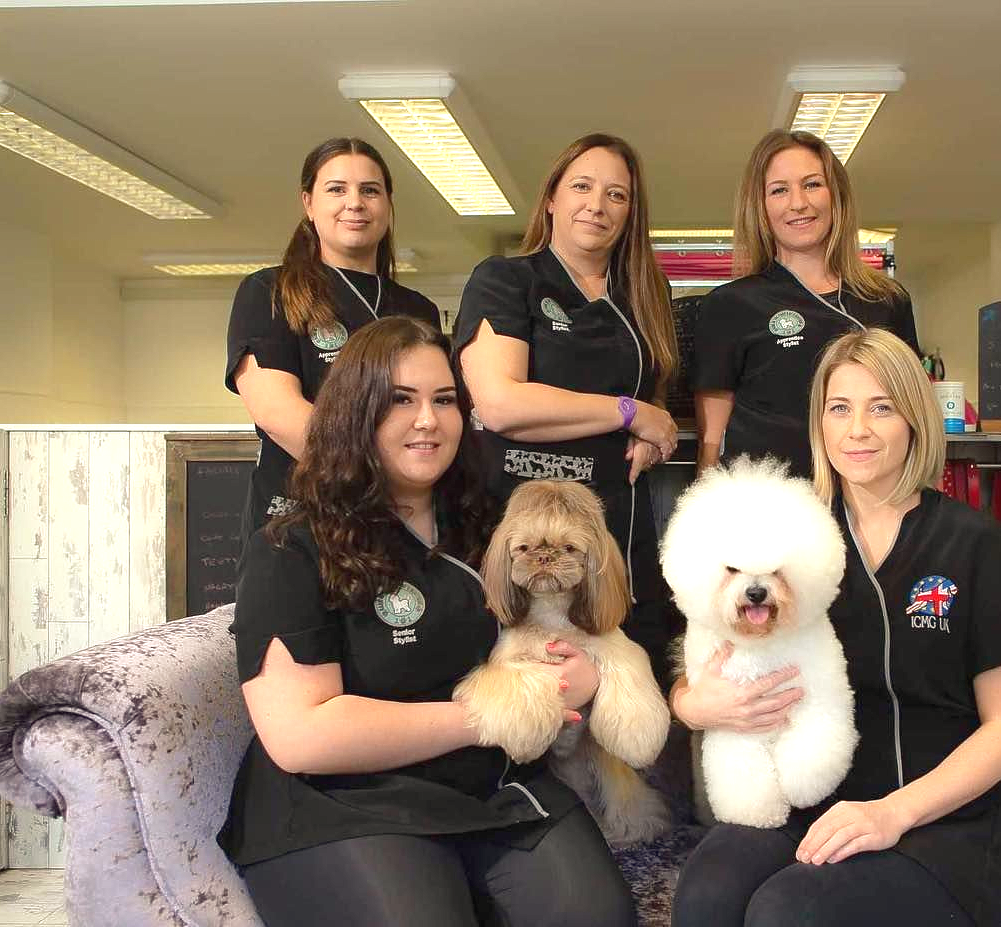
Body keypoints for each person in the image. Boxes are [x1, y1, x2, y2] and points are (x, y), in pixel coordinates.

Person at [216, 316, 636, 927]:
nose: (427, 421)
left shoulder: (488, 528)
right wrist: (497, 712)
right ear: (354, 413)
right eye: (400, 401)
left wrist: (586, 675)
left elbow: (566, 631)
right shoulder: (291, 549)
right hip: (348, 801)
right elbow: (302, 735)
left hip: (493, 787)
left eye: (444, 400)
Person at [671, 327, 1001, 927]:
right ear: (819, 424)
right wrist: (693, 705)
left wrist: (894, 813)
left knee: (787, 914)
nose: (857, 429)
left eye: (881, 407)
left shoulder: (976, 545)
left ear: (914, 419)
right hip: (813, 800)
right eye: (839, 408)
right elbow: (699, 661)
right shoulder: (788, 539)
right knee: (708, 894)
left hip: (943, 819)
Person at [453, 132, 681, 687]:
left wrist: (654, 428)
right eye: (581, 185)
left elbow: (656, 401)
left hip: (616, 524)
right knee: (531, 686)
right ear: (551, 197)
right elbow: (500, 402)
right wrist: (630, 412)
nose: (596, 205)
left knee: (627, 686)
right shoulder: (507, 280)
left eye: (617, 195)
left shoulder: (644, 299)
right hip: (524, 527)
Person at [225, 136, 441, 540]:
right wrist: (382, 480)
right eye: (337, 189)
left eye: (370, 190)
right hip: (300, 518)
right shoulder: (269, 291)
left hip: (399, 519)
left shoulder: (418, 310)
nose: (355, 202)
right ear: (308, 203)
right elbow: (277, 414)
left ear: (388, 204)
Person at [692, 129, 919, 479]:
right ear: (761, 207)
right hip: (773, 505)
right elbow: (712, 439)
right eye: (779, 190)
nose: (798, 203)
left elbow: (912, 413)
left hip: (871, 499)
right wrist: (707, 506)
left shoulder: (888, 300)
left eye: (812, 184)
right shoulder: (729, 305)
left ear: (836, 196)